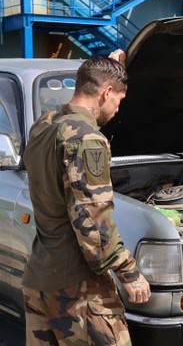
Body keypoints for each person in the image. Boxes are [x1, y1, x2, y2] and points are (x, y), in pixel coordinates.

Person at [21, 53, 150, 346]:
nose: (118, 109)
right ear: (106, 93)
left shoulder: (44, 126)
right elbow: (93, 221)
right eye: (119, 99)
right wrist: (130, 274)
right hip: (79, 290)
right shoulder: (85, 137)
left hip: (40, 279)